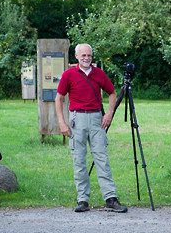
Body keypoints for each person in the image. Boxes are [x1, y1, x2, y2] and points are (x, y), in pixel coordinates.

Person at [55, 43, 128, 213]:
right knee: (79, 160)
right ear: (76, 56)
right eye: (84, 55)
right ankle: (82, 200)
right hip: (77, 119)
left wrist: (109, 113)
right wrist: (61, 122)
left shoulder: (98, 73)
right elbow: (59, 99)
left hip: (96, 119)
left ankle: (110, 198)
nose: (87, 58)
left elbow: (111, 92)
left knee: (102, 159)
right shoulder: (69, 75)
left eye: (89, 55)